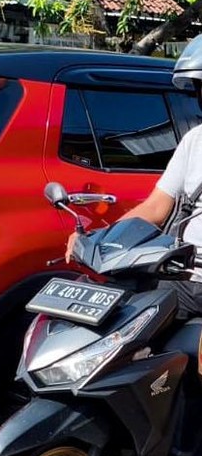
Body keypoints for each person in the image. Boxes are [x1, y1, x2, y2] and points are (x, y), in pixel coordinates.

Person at [67, 34, 202, 321]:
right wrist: (98, 240)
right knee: (100, 308)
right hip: (178, 274)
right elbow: (155, 208)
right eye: (201, 90)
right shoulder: (195, 140)